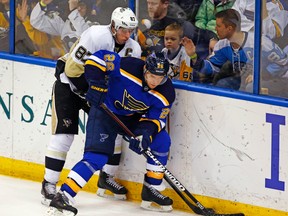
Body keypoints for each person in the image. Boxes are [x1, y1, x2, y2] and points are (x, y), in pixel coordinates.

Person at [47, 50, 176, 215]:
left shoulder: (166, 92)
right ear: (145, 69)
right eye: (152, 76)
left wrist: (145, 133)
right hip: (105, 112)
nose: (155, 81)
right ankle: (63, 196)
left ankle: (151, 189)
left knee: (162, 140)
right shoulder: (127, 66)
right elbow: (96, 59)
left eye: (160, 78)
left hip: (131, 119)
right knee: (97, 157)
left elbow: (157, 119)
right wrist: (95, 84)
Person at [40, 7, 141, 206]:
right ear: (113, 26)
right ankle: (49, 184)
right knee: (64, 134)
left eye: (130, 30)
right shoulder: (96, 35)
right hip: (69, 85)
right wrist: (89, 94)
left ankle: (106, 178)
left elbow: (125, 80)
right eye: (123, 29)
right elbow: (71, 69)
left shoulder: (133, 49)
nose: (127, 34)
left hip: (98, 92)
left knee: (115, 129)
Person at [186, 8, 288, 93]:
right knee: (222, 84)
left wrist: (261, 75)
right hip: (243, 80)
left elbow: (283, 63)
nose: (215, 28)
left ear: (229, 28)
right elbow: (212, 68)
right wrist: (194, 56)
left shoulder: (260, 42)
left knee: (251, 87)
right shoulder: (222, 45)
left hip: (275, 80)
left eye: (218, 26)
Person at [30, 0, 98, 53]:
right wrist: (42, 4)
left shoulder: (94, 26)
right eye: (77, 5)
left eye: (82, 6)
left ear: (88, 8)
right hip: (67, 66)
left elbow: (86, 35)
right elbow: (36, 21)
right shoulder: (63, 24)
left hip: (86, 68)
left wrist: (73, 12)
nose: (79, 8)